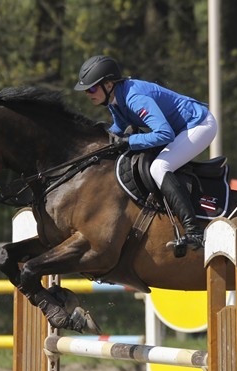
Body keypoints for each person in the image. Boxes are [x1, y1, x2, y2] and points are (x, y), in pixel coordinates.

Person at [74, 55, 218, 251]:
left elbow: (164, 133)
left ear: (108, 85)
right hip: (179, 129)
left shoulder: (135, 98)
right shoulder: (114, 99)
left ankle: (194, 232)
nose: (88, 94)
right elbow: (120, 127)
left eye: (91, 88)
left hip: (199, 125)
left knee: (160, 167)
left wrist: (130, 141)